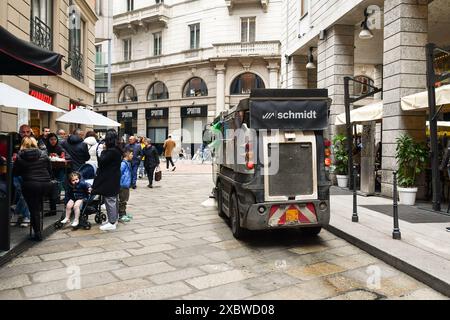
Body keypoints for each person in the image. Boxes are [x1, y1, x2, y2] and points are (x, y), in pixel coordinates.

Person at [13, 137, 53, 241]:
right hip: (46, 184)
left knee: (34, 209)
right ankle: (37, 228)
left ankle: (38, 233)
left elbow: (16, 172)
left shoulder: (20, 156)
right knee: (37, 207)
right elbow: (50, 170)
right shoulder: (44, 154)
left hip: (30, 184)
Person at [92, 129, 122, 231]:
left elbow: (102, 162)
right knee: (114, 199)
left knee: (110, 199)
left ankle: (112, 222)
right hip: (114, 177)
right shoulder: (117, 149)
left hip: (109, 178)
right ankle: (114, 219)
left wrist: (100, 152)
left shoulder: (110, 151)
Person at [119, 150, 133, 222]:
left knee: (125, 200)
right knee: (122, 200)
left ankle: (124, 213)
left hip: (126, 184)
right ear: (127, 155)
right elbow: (119, 173)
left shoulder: (127, 163)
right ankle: (121, 215)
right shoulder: (123, 164)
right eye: (131, 154)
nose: (132, 156)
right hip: (123, 185)